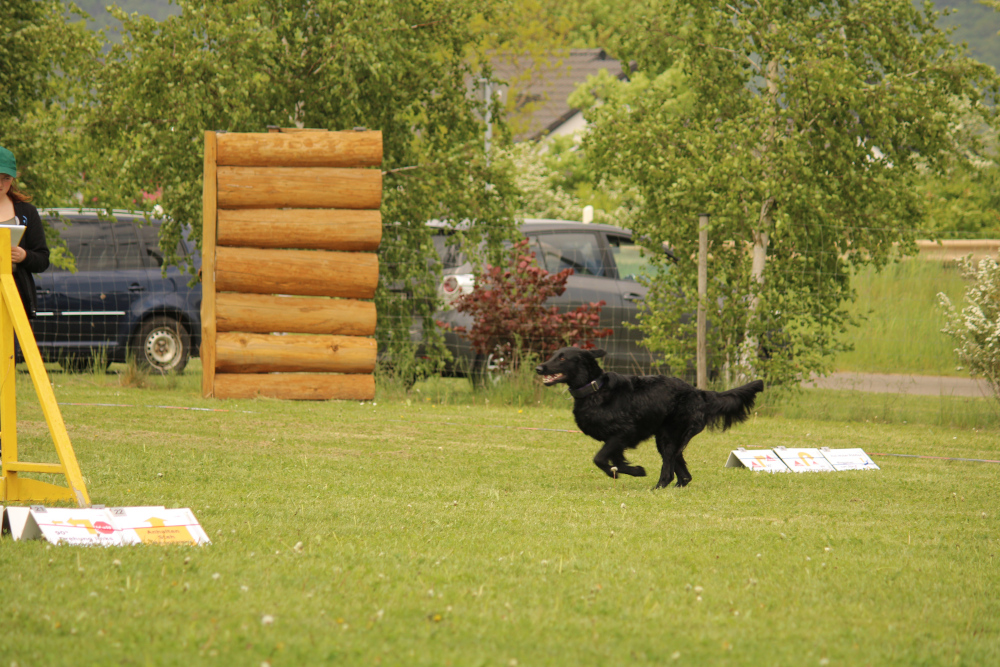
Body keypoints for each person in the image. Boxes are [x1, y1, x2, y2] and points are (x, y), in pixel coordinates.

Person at [0, 146, 50, 352]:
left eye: (6, 178)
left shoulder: (27, 212)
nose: (0, 183)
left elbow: (43, 259)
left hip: (15, 293)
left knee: (10, 356)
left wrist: (24, 256)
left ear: (13, 179)